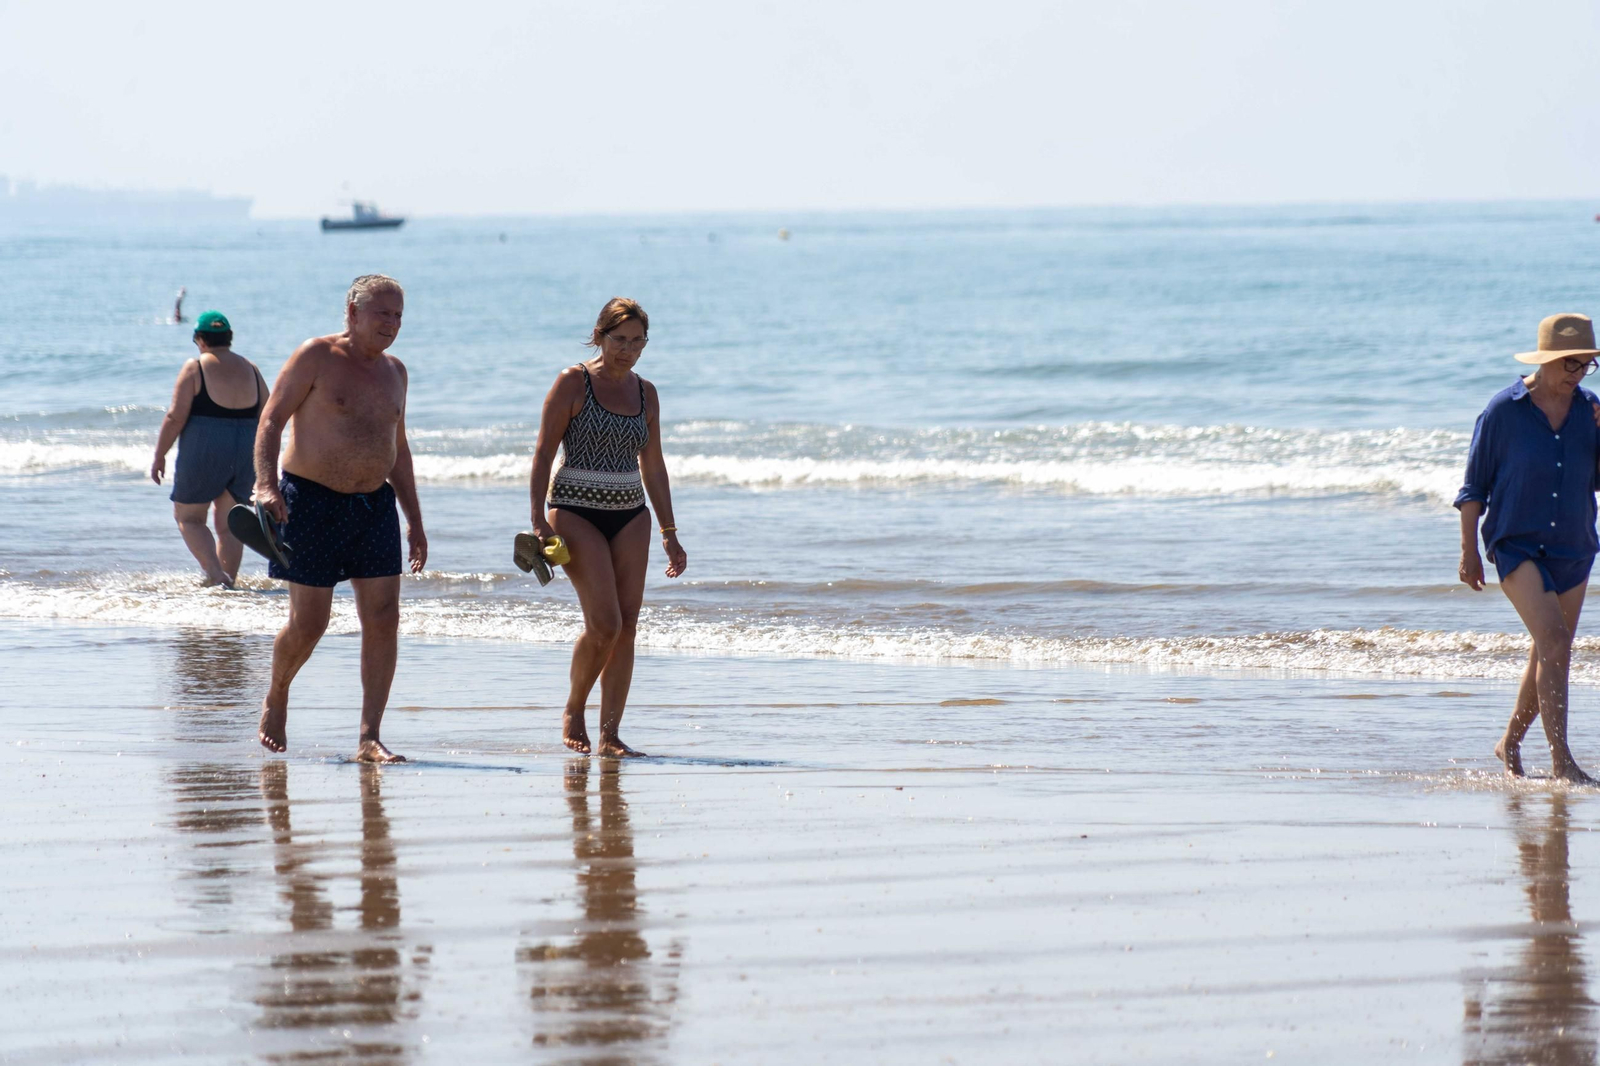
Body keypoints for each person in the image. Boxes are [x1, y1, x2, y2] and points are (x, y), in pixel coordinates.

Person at [253, 275, 426, 763]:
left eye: (398, 316)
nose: (391, 324)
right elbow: (271, 420)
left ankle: (370, 736)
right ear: (352, 312)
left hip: (373, 506)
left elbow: (400, 449)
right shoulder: (317, 356)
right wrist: (266, 485)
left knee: (384, 619)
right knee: (310, 623)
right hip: (309, 502)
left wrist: (414, 518)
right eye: (382, 314)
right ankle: (277, 693)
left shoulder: (396, 371)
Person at [528, 298, 687, 756]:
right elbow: (542, 453)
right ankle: (574, 709)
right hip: (574, 510)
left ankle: (610, 733)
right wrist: (537, 518)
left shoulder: (646, 393)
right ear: (599, 335)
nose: (629, 350)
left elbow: (653, 466)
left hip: (631, 512)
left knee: (628, 626)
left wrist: (669, 531)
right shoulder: (572, 382)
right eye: (620, 340)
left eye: (638, 342)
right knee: (605, 622)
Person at [1457, 312, 1600, 783]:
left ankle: (1509, 743)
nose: (1578, 376)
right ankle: (1562, 762)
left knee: (1548, 652)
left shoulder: (1590, 411)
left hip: (1574, 545)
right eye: (1571, 365)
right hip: (1516, 543)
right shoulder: (1503, 411)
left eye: (1587, 367)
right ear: (1548, 360)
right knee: (1556, 644)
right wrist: (1469, 551)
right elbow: (1474, 485)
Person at [150, 310, 269, 587]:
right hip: (246, 449)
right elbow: (269, 412)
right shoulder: (251, 368)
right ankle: (228, 583)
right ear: (229, 338)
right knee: (230, 524)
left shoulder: (196, 367)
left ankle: (216, 575)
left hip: (206, 446)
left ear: (199, 339)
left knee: (189, 518)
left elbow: (175, 416)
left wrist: (159, 455)